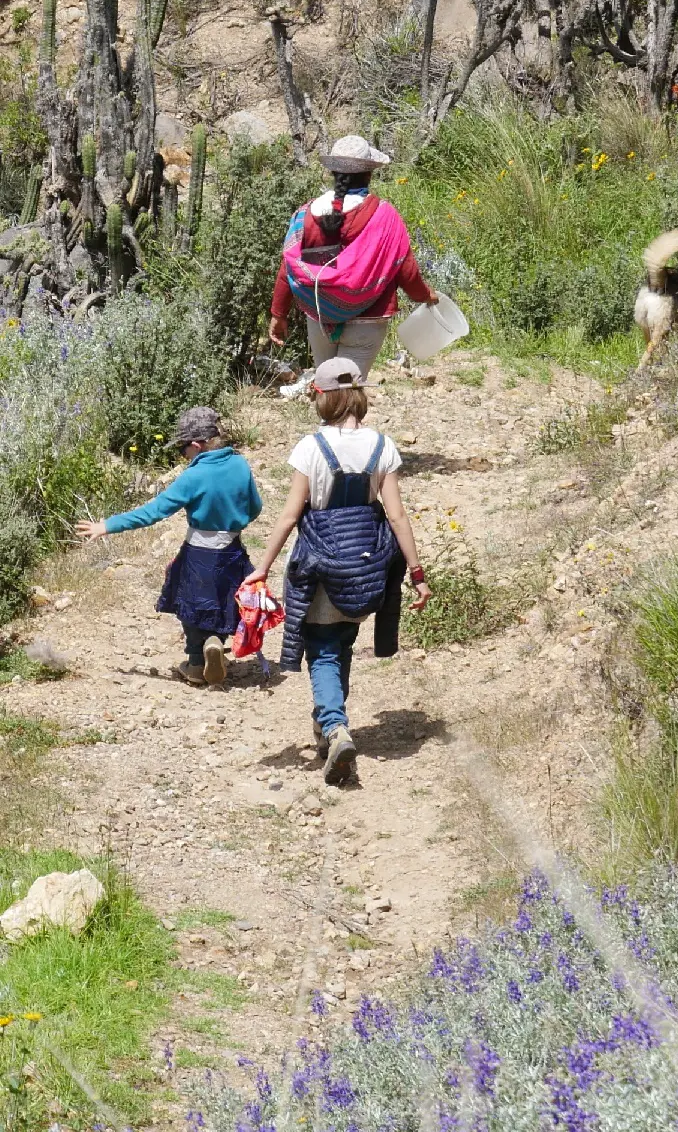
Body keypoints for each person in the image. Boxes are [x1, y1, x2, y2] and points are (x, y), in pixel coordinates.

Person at [245, 357, 431, 784]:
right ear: (359, 396)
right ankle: (329, 723)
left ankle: (333, 725)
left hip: (322, 563)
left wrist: (262, 567)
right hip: (366, 566)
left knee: (323, 647)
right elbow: (398, 517)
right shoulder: (383, 446)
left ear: (322, 397)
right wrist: (416, 574)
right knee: (343, 639)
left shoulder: (312, 448)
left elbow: (290, 516)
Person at [75, 407, 262, 687]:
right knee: (223, 601)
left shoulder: (193, 476)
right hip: (232, 549)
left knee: (189, 604)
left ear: (197, 445)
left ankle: (197, 663)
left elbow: (154, 512)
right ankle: (216, 642)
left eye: (184, 448)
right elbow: (255, 507)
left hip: (199, 552)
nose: (183, 454)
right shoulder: (239, 465)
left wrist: (108, 526)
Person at [269, 134, 439, 380]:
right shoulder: (384, 215)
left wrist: (279, 314)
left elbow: (289, 267)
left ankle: (327, 418)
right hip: (368, 319)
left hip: (320, 314)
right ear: (369, 174)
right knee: (348, 390)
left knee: (327, 385)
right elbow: (406, 270)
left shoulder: (305, 215)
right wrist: (425, 296)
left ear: (334, 173)